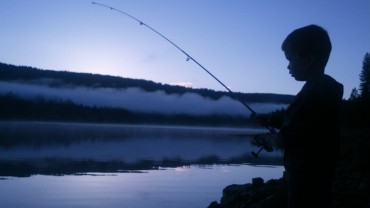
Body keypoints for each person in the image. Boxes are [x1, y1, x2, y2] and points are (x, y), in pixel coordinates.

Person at [272, 25, 343, 208]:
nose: (288, 66)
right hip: (323, 171)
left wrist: (275, 138)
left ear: (309, 59)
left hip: (304, 174)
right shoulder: (328, 90)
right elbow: (303, 124)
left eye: (290, 60)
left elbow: (287, 136)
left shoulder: (311, 95)